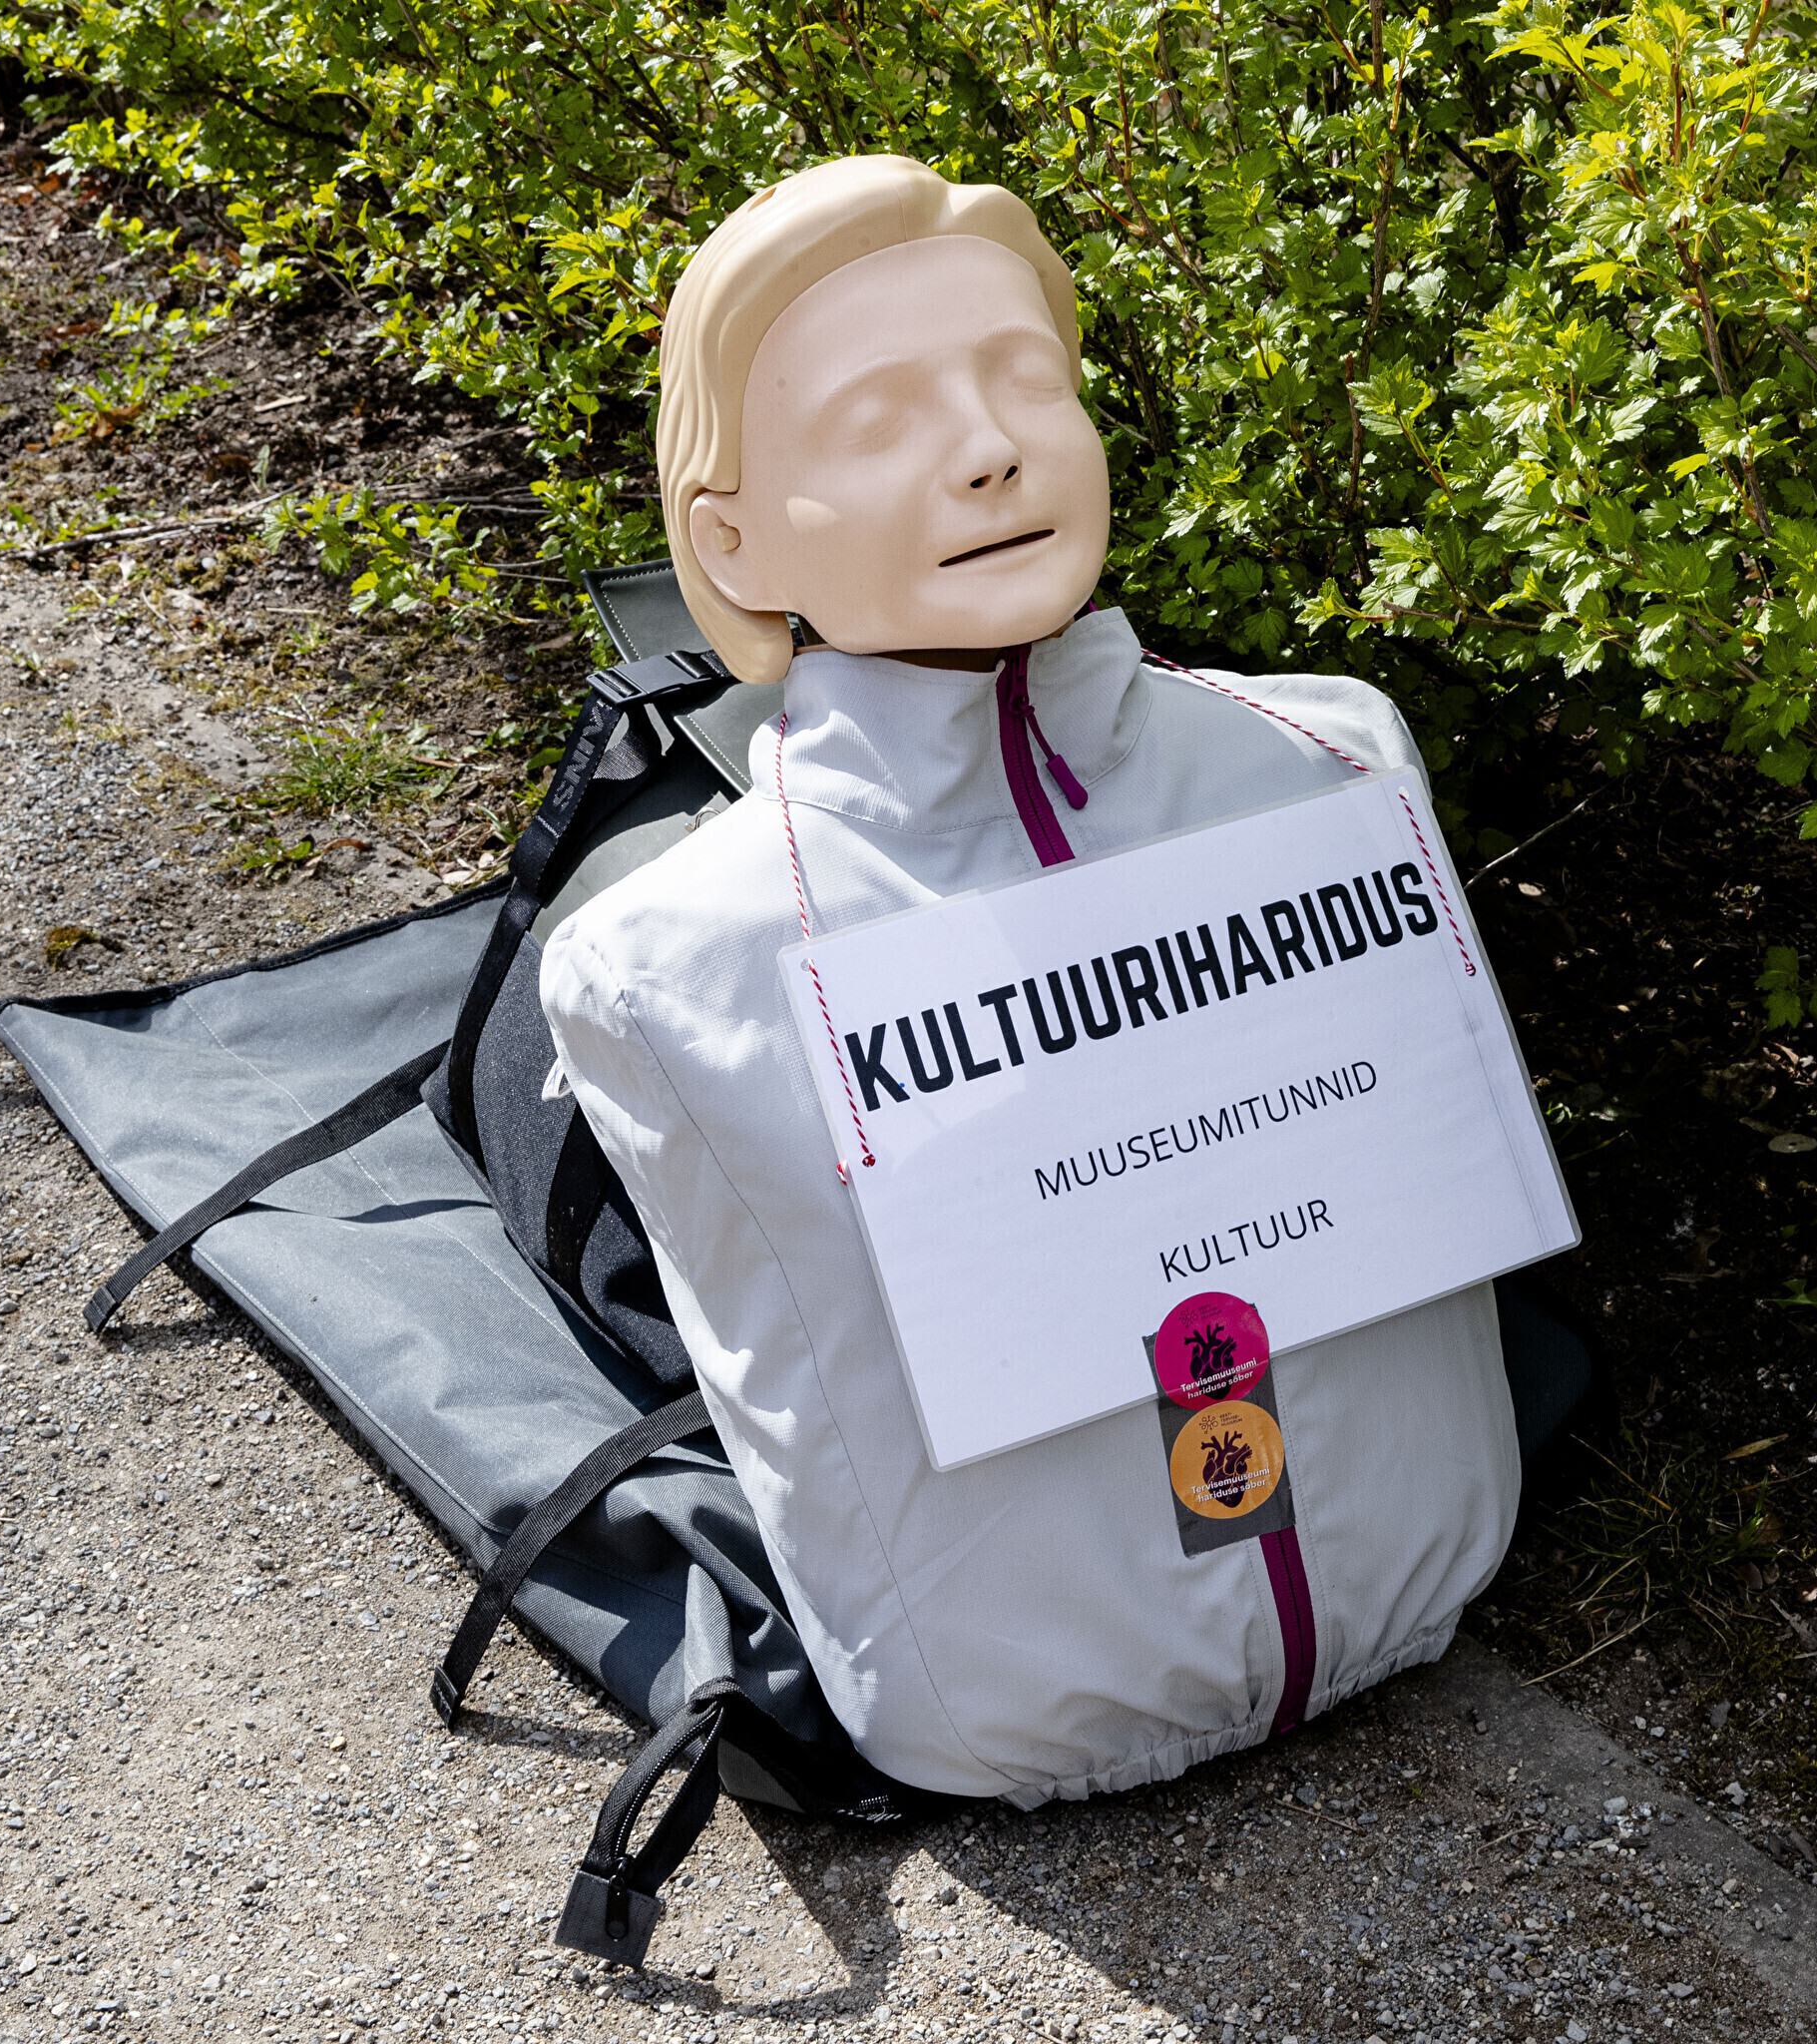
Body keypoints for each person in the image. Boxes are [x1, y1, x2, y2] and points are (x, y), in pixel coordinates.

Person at [539, 155, 1518, 1803]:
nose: (990, 447)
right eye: (878, 420)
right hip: (988, 1714)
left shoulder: (1330, 764)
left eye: (1025, 378)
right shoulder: (674, 965)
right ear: (732, 541)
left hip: (1436, 1573)